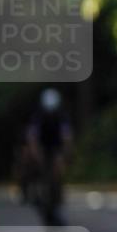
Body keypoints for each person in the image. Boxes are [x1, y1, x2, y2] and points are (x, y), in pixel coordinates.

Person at [25, 88, 73, 225]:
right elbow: (32, 138)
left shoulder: (61, 116)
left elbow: (66, 137)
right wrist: (36, 154)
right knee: (43, 179)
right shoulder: (38, 117)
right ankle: (42, 203)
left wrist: (63, 155)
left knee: (56, 180)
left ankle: (54, 208)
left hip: (55, 150)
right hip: (42, 150)